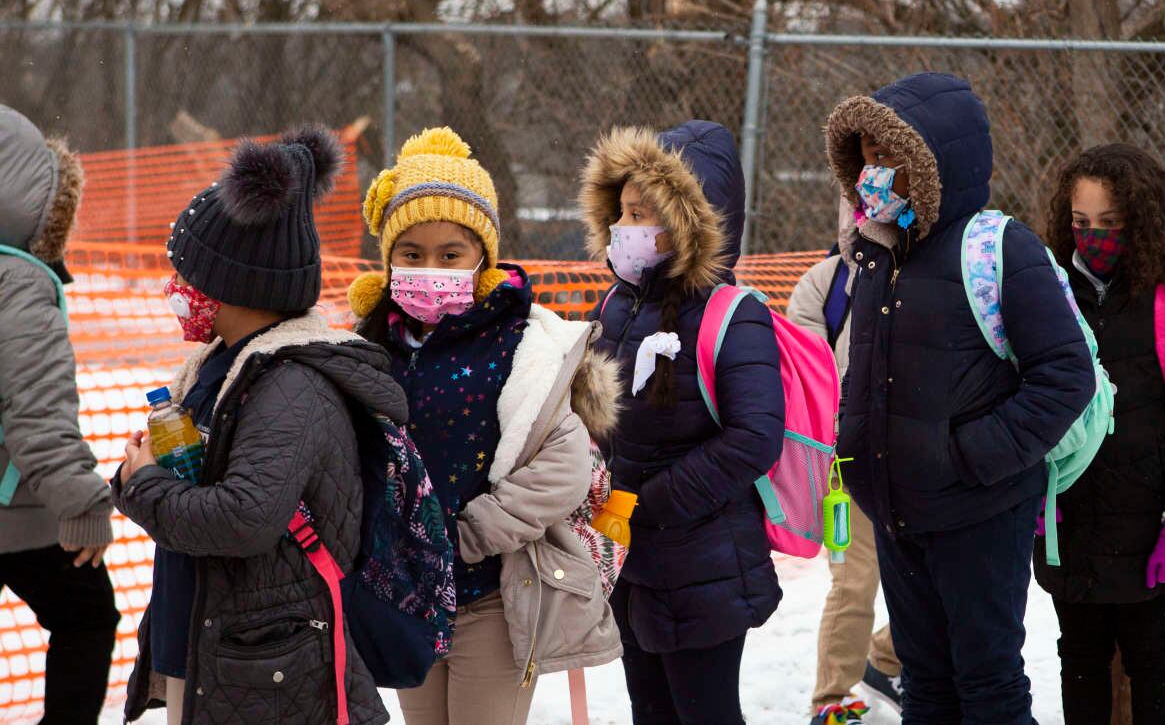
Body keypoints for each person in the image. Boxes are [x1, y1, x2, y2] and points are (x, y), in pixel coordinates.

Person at [825, 72, 1096, 724]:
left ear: (931, 163)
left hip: (978, 509)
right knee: (924, 682)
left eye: (886, 158)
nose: (871, 173)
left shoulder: (999, 248)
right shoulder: (879, 254)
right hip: (897, 509)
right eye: (863, 157)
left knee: (987, 682)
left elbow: (1065, 374)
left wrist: (966, 457)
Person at [113, 128, 392, 725]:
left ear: (235, 286)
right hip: (220, 649)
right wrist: (144, 470)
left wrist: (144, 487)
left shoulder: (290, 385)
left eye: (188, 276)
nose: (177, 290)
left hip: (262, 669)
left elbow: (243, 518)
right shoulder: (221, 366)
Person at [348, 126, 621, 725]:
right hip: (404, 594)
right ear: (388, 257)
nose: (430, 268)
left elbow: (564, 465)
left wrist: (471, 532)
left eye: (451, 254)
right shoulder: (367, 346)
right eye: (411, 254)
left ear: (483, 257)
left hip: (494, 595)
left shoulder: (519, 343)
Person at [580, 120, 784, 725]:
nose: (625, 227)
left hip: (706, 561)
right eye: (621, 211)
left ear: (687, 221)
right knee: (652, 710)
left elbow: (755, 437)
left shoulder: (734, 314)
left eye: (641, 213)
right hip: (631, 557)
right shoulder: (618, 303)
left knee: (706, 711)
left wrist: (652, 503)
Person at [1039, 144, 1165, 725]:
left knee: (1151, 661)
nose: (1092, 237)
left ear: (1140, 220)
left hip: (1150, 524)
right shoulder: (1047, 288)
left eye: (1110, 224)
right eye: (1080, 223)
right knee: (1080, 658)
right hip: (1068, 520)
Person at [0, 105, 119, 725]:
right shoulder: (17, 281)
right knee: (88, 620)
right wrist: (81, 502)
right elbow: (36, 410)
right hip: (16, 517)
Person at [788, 200, 901, 724]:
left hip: (920, 461)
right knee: (855, 582)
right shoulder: (825, 283)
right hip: (849, 460)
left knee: (936, 581)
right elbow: (807, 380)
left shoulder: (928, 272)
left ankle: (887, 658)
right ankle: (831, 700)